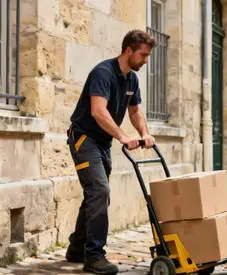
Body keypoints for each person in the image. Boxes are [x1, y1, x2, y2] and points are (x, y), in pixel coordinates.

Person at [64, 30, 156, 274]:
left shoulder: (131, 79)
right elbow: (98, 110)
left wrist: (144, 133)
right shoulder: (103, 73)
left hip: (102, 143)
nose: (146, 60)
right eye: (143, 55)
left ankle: (76, 249)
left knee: (94, 194)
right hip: (84, 140)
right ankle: (94, 256)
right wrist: (123, 136)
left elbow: (135, 111)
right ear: (128, 50)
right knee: (100, 191)